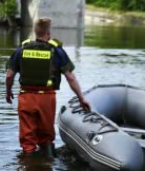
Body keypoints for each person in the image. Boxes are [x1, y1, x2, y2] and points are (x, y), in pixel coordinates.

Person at [5, 18, 91, 153]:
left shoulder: (22, 49)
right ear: (48, 33)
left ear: (35, 32)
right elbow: (70, 77)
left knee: (27, 141)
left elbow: (9, 75)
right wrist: (81, 98)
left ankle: (27, 168)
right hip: (46, 98)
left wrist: (8, 92)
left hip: (26, 97)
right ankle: (47, 168)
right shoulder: (56, 51)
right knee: (46, 137)